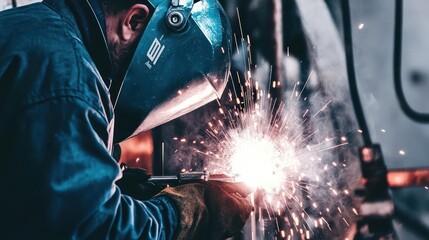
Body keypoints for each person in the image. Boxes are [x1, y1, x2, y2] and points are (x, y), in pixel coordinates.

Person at [0, 0, 252, 239]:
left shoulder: (33, 30)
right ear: (134, 21)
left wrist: (115, 190)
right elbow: (95, 230)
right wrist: (189, 214)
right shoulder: (70, 82)